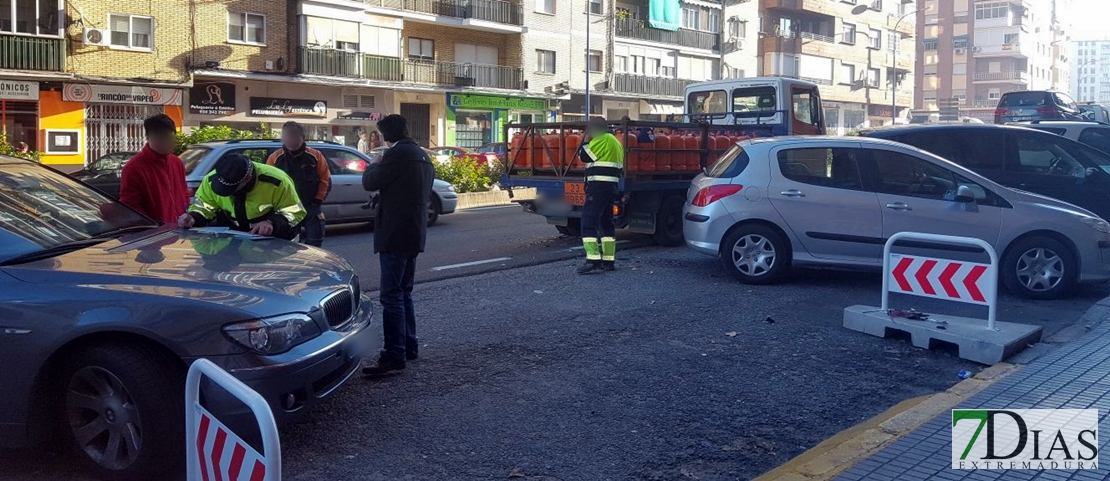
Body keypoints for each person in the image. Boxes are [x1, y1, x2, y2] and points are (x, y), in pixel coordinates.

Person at [360, 114, 434, 378]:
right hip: (414, 231)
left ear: (386, 135)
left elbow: (370, 181)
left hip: (394, 233)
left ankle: (393, 355)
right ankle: (409, 346)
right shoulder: (423, 155)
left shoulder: (395, 155)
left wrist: (373, 164)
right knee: (404, 292)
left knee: (391, 296)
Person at [177, 153, 306, 240]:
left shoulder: (276, 181)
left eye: (232, 189)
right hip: (234, 244)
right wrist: (194, 217)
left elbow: (295, 211)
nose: (230, 193)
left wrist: (272, 222)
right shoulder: (211, 179)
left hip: (274, 245)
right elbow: (204, 206)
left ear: (248, 179)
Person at [266, 122, 331, 247]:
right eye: (287, 137)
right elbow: (268, 185)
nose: (290, 140)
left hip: (310, 207)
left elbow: (325, 180)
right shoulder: (275, 158)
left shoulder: (315, 156)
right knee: (288, 244)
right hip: (286, 209)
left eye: (293, 136)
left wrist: (317, 200)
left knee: (315, 242)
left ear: (301, 137)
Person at [118, 114, 190, 224]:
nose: (166, 142)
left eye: (169, 137)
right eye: (161, 137)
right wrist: (152, 226)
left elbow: (184, 193)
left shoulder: (177, 163)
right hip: (154, 234)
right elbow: (130, 205)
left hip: (180, 232)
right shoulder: (134, 168)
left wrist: (187, 215)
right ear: (148, 137)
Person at [576, 117, 625, 275]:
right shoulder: (616, 141)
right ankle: (608, 261)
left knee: (588, 222)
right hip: (610, 186)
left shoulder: (602, 138)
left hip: (598, 186)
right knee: (605, 222)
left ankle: (593, 261)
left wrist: (585, 141)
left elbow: (583, 156)